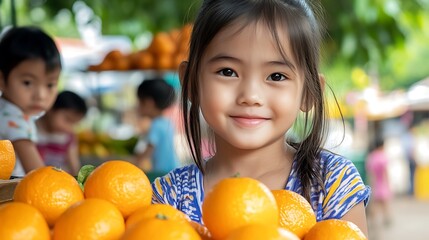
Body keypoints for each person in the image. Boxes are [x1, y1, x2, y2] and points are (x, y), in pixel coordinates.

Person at [151, 0, 370, 236]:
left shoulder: (331, 183)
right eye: (227, 72)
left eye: (276, 76)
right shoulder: (168, 199)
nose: (250, 96)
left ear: (309, 92)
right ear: (192, 83)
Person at [0, 26, 62, 177]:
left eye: (50, 85)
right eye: (27, 83)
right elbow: (38, 174)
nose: (40, 95)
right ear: (1, 79)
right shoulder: (14, 119)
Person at [36, 91, 88, 176]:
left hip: (62, 180)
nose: (69, 128)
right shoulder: (31, 130)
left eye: (74, 123)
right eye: (67, 119)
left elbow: (74, 165)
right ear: (51, 108)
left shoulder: (68, 137)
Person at [134, 78, 179, 173]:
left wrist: (134, 164)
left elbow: (149, 150)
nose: (137, 106)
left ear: (149, 103)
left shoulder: (156, 125)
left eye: (140, 102)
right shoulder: (166, 121)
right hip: (173, 168)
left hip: (163, 172)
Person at [366, 138, 392, 237]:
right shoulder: (383, 156)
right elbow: (386, 172)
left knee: (375, 205)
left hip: (374, 183)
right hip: (382, 183)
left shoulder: (371, 156)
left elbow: (370, 172)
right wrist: (388, 183)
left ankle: (373, 222)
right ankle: (386, 218)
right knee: (385, 202)